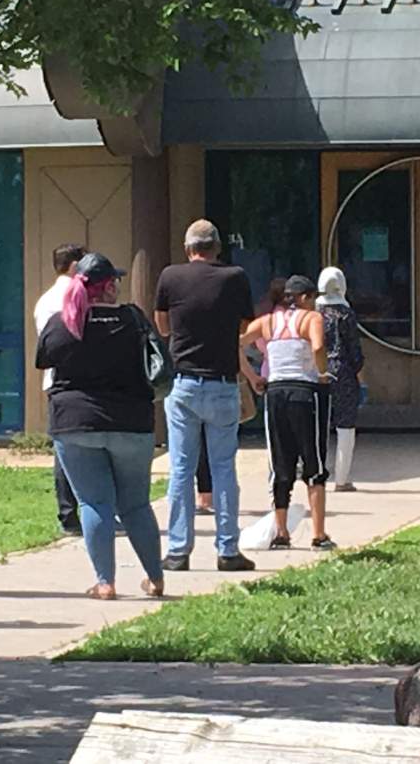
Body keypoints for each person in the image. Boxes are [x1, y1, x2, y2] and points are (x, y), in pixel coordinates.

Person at [36, 253, 164, 600]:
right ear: (109, 286)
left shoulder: (61, 323)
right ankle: (155, 578)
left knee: (93, 503)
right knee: (136, 504)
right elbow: (157, 360)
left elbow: (43, 359)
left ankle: (104, 582)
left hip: (75, 422)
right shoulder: (133, 319)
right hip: (131, 422)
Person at [155, 219, 257, 573]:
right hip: (222, 382)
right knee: (223, 467)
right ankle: (228, 549)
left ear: (188, 249)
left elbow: (163, 325)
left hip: (183, 382)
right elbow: (245, 326)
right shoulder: (235, 277)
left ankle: (178, 551)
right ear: (217, 248)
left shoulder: (170, 276)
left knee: (181, 468)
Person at [242, 275, 336, 550]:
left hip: (275, 393)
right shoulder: (311, 319)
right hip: (305, 392)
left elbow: (236, 343)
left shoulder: (268, 322)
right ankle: (318, 534)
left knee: (280, 463)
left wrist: (251, 376)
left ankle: (281, 532)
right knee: (313, 461)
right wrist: (322, 373)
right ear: (305, 298)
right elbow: (318, 346)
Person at [34, 242, 87, 535]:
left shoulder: (44, 299)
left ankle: (68, 513)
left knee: (63, 447)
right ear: (74, 266)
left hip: (54, 381)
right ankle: (78, 511)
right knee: (81, 449)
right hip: (76, 379)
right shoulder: (75, 295)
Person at [317, 267, 364, 492]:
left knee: (318, 425)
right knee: (346, 427)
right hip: (343, 371)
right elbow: (355, 350)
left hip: (317, 371)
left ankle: (317, 474)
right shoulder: (346, 313)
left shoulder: (313, 312)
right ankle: (342, 479)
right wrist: (358, 371)